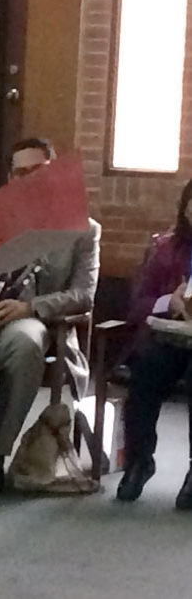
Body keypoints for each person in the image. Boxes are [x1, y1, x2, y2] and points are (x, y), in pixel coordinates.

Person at [0, 137, 101, 494]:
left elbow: (83, 295)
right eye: (19, 172)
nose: (26, 180)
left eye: (36, 172)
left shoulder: (83, 228)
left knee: (26, 344)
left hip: (29, 319)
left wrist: (30, 308)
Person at [117, 178, 192, 507]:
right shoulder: (165, 248)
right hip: (168, 335)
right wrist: (169, 302)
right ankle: (139, 461)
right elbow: (137, 304)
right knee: (145, 371)